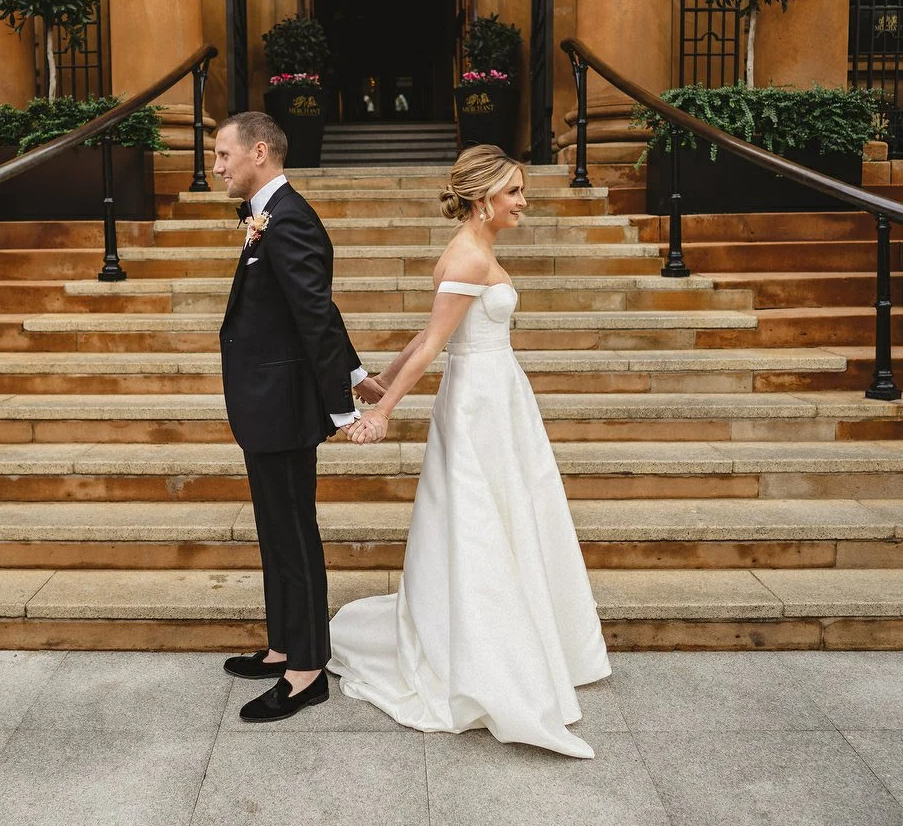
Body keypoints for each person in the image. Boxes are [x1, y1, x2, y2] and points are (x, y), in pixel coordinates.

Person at [329, 143, 611, 758]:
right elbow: (434, 343)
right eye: (513, 192)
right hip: (479, 401)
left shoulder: (478, 251)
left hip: (498, 395)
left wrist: (377, 374)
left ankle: (526, 632)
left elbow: (428, 335)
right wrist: (382, 408)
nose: (522, 202)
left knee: (512, 509)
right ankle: (488, 649)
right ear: (483, 197)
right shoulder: (468, 254)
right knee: (479, 517)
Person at [214, 111, 387, 722]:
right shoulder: (272, 216)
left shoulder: (289, 221)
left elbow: (314, 316)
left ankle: (307, 669)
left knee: (294, 535)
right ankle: (284, 645)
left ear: (259, 152)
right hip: (267, 406)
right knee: (275, 532)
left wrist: (340, 407)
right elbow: (318, 309)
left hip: (283, 407)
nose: (217, 168)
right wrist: (356, 371)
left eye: (224, 155)